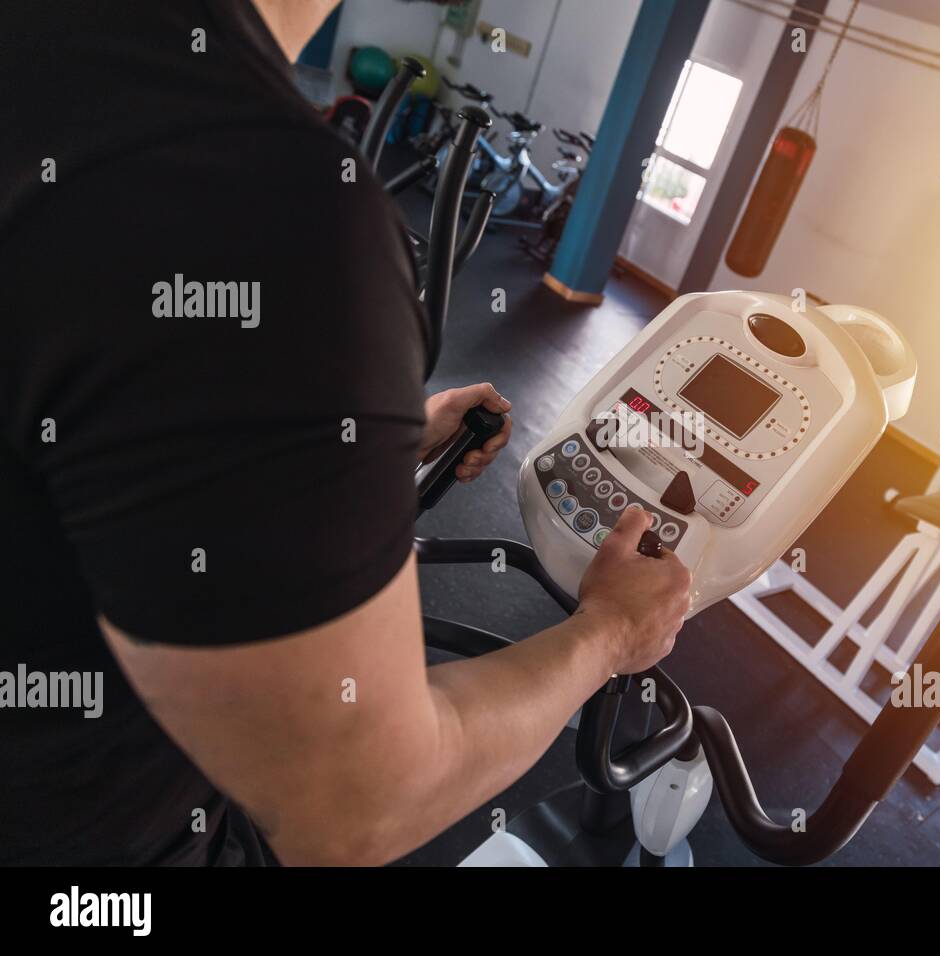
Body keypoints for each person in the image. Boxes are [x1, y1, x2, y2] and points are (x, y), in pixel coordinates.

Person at [0, 0, 690, 865]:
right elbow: (355, 808)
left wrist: (343, 443)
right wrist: (609, 636)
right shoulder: (260, 201)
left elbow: (92, 426)